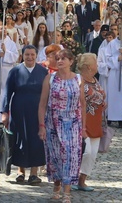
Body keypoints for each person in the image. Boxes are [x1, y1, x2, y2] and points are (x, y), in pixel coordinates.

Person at [38, 49, 86, 202]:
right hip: (53, 123)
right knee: (55, 157)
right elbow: (42, 104)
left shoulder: (78, 79)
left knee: (71, 157)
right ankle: (56, 185)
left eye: (64, 58)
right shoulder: (50, 79)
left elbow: (83, 104)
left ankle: (67, 191)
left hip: (73, 123)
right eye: (58, 58)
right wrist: (41, 126)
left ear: (71, 62)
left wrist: (84, 127)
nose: (60, 61)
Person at [0, 45, 48, 185]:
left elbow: (48, 93)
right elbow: (7, 93)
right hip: (19, 110)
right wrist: (5, 112)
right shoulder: (15, 71)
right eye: (27, 54)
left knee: (36, 140)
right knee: (20, 139)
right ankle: (20, 171)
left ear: (36, 55)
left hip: (37, 111)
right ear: (22, 55)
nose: (30, 57)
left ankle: (34, 173)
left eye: (32, 54)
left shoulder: (43, 72)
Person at [75, 53, 105, 192]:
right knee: (84, 152)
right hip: (83, 122)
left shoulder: (94, 80)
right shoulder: (78, 81)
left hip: (96, 121)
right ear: (88, 67)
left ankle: (82, 180)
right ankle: (73, 178)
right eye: (95, 62)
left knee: (92, 155)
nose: (97, 64)